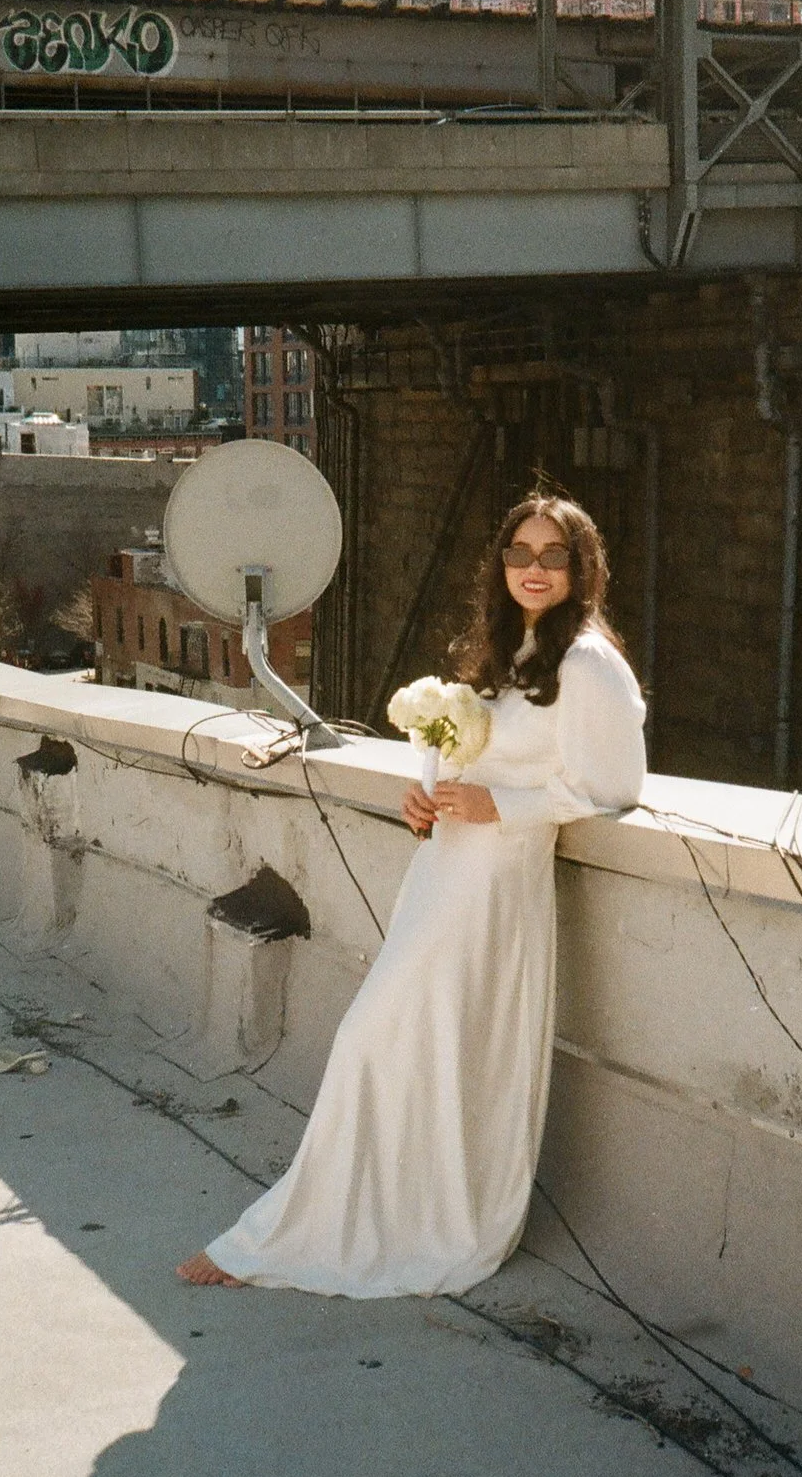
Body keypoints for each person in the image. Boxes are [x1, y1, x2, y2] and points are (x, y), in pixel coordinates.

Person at [178, 493, 647, 1300]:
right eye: (519, 554)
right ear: (500, 566)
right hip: (446, 871)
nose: (533, 570)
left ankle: (390, 1224)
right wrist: (430, 795)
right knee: (402, 1037)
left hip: (499, 881)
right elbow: (487, 761)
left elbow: (615, 787)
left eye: (552, 556)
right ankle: (361, 1214)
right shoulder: (514, 650)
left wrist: (501, 806)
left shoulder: (588, 662)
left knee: (401, 1037)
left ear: (581, 569)